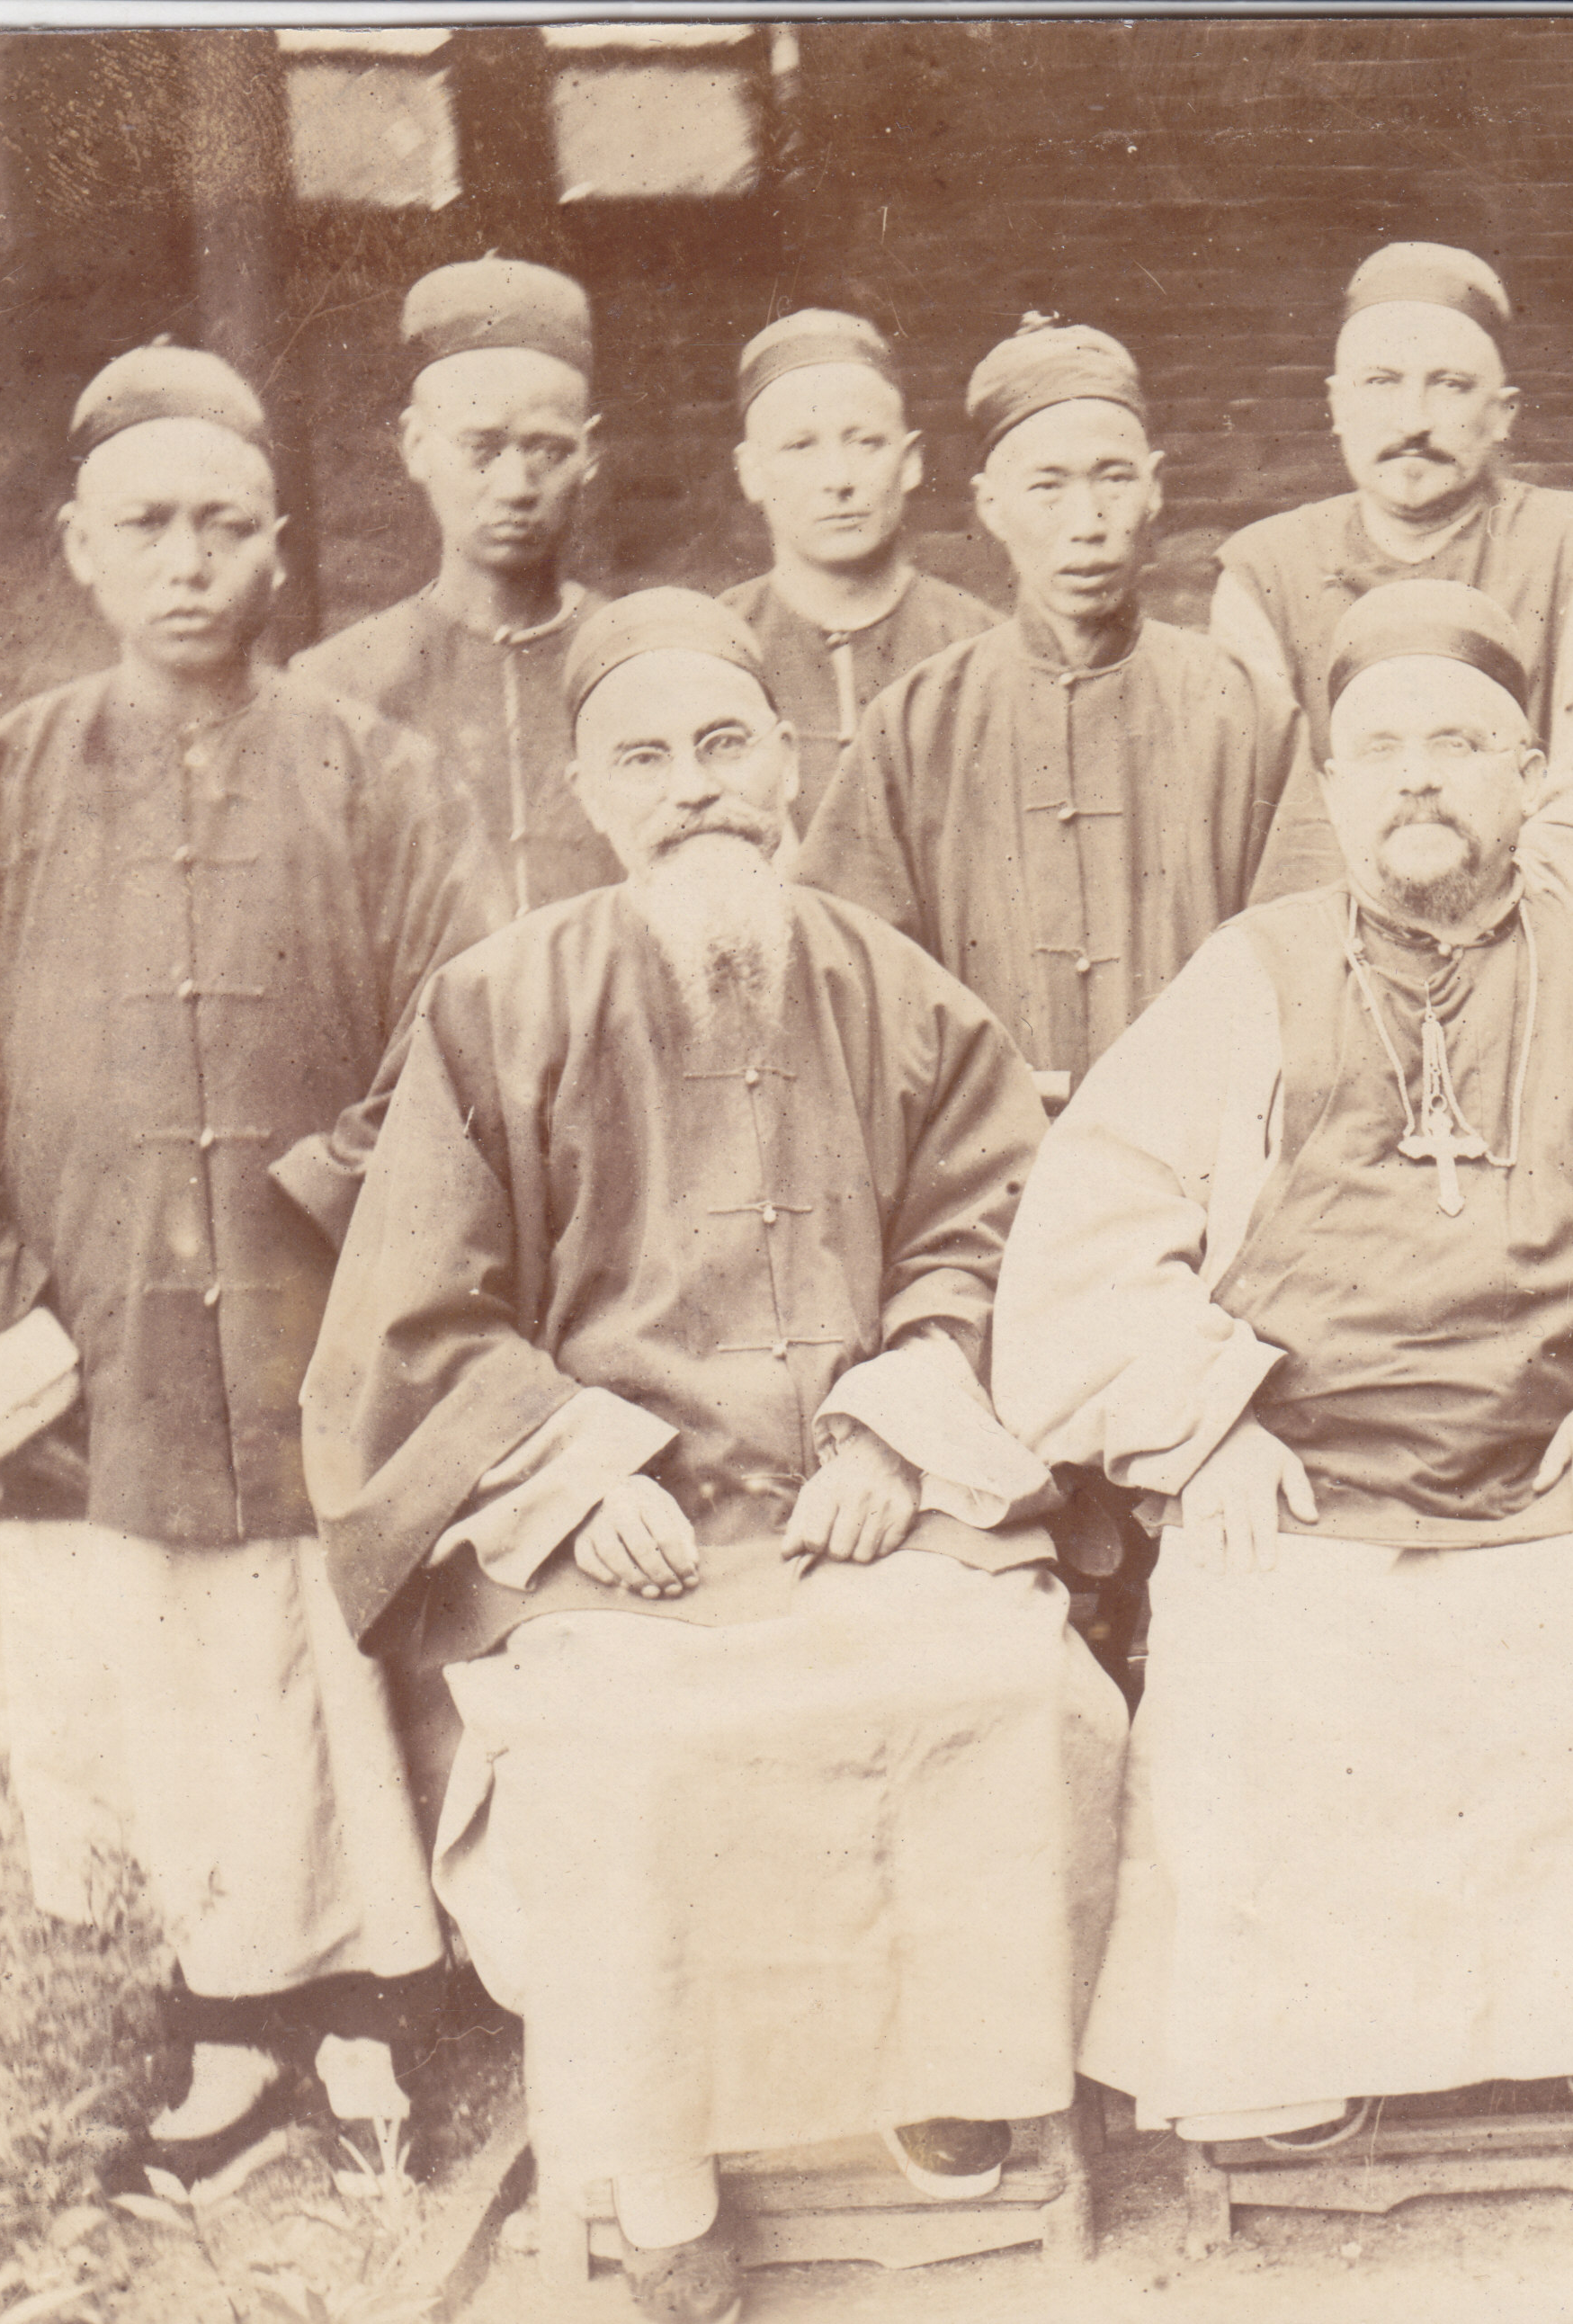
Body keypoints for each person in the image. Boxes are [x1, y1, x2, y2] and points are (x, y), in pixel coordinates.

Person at [995, 579, 1573, 2203]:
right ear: (1334, 788)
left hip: (1561, 1469)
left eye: (1461, 745)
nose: (1420, 778)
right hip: (1298, 1480)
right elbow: (1088, 1239)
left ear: (1528, 776)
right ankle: (1293, 2047)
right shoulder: (1247, 977)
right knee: (1265, 1648)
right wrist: (1203, 1424)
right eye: (1384, 750)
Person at [304, 590, 1125, 2324]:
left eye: (724, 744)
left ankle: (942, 2060)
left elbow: (987, 1226)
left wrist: (893, 1421)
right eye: (645, 759)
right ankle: (658, 2156)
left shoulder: (891, 986)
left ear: (788, 764)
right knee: (618, 1752)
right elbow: (419, 1311)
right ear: (590, 796)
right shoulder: (495, 1001)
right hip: (607, 1531)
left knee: (1010, 1689)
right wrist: (580, 1474)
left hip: (863, 1508)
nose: (691, 788)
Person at [0, 344, 497, 2187]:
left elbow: (466, 1044)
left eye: (225, 525)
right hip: (94, 1347)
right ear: (81, 547)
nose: (189, 561)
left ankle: (372, 2005)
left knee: (319, 1679)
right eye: (147, 525)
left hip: (322, 1333)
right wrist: (0, 1329)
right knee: (157, 1671)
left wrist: (346, 1263)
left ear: (280, 545)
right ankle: (223, 2023)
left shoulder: (384, 781)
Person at [791, 314, 1303, 1081]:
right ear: (990, 505)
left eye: (1114, 479)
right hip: (977, 1143)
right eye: (1047, 488)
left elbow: (1304, 963)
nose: (1088, 524)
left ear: (1155, 489)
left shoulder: (1244, 712)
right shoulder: (917, 723)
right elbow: (847, 977)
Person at [1219, 241, 1573, 912]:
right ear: (1337, 406)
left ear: (1504, 414)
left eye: (1451, 386)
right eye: (1381, 383)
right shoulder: (1264, 572)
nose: (1413, 421)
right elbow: (1270, 812)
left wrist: (1507, 925)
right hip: (1330, 942)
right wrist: (1367, 941)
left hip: (1536, 926)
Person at [296, 256, 616, 918]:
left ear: (590, 454)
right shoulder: (334, 686)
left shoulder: (638, 660)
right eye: (481, 450)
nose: (516, 487)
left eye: (549, 451)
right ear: (417, 445)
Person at [719, 308, 998, 832]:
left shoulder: (984, 645)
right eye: (800, 446)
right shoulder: (714, 649)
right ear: (751, 472)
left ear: (911, 461)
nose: (839, 478)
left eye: (866, 442)